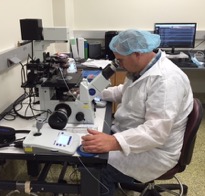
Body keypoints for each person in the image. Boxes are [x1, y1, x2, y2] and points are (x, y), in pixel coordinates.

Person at [81, 29, 193, 195]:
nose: (117, 64)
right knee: (91, 143)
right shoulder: (140, 69)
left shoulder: (166, 81)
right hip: (132, 134)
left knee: (97, 168)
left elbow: (156, 132)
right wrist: (92, 92)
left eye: (120, 60)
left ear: (138, 54)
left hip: (155, 152)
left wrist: (113, 141)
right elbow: (124, 91)